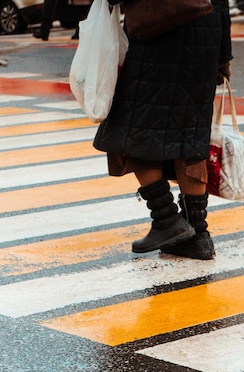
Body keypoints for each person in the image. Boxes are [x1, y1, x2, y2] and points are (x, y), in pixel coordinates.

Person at [93, 0, 232, 260]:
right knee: (189, 133)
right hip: (206, 32)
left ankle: (167, 219)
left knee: (130, 131)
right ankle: (197, 236)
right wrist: (223, 54)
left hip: (158, 30)